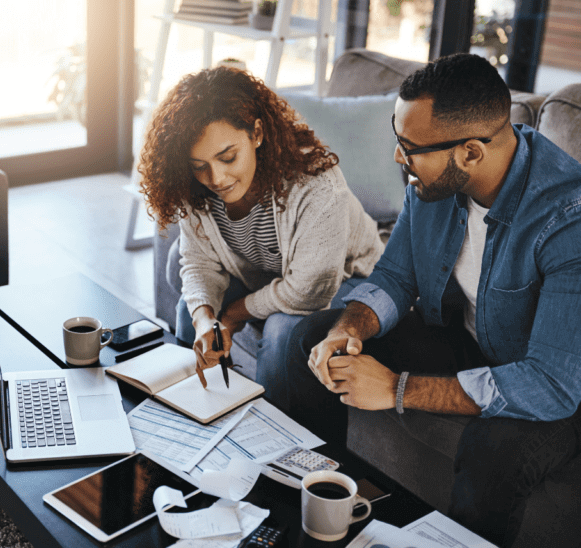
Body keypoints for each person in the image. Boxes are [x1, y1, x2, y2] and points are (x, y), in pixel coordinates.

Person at [285, 52, 581, 547]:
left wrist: (397, 389)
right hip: (464, 343)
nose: (398, 158)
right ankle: (321, 508)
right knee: (314, 336)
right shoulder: (433, 183)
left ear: (469, 152)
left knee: (494, 453)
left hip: (550, 385)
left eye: (409, 147)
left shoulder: (567, 220)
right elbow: (396, 278)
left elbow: (551, 383)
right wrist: (350, 328)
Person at [137, 66, 384, 410]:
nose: (217, 178)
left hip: (346, 278)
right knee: (189, 309)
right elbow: (197, 260)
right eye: (199, 165)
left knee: (284, 332)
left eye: (228, 157)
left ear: (256, 133)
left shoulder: (317, 186)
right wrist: (205, 318)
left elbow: (307, 290)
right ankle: (191, 411)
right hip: (268, 272)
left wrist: (234, 315)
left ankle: (281, 444)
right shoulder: (197, 185)